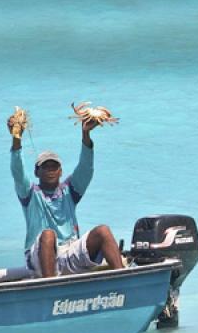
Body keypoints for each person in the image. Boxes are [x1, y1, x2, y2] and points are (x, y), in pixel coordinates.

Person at [7, 109, 124, 277]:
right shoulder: (30, 194)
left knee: (103, 231)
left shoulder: (69, 191)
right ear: (36, 172)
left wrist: (86, 134)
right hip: (40, 258)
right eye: (45, 167)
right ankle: (49, 288)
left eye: (54, 166)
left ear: (61, 171)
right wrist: (16, 139)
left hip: (69, 251)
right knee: (48, 235)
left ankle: (123, 280)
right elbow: (17, 171)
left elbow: (86, 168)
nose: (50, 170)